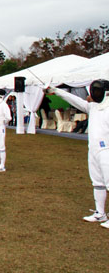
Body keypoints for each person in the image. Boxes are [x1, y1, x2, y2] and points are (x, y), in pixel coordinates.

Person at [48, 80, 109, 227]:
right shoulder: (92, 107)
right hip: (93, 149)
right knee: (97, 182)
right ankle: (100, 213)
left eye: (98, 91)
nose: (95, 93)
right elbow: (74, 100)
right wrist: (56, 91)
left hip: (106, 150)